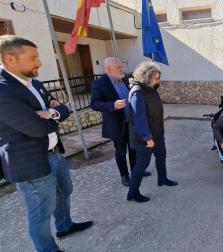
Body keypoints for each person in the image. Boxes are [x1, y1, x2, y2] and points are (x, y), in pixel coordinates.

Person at [0, 35, 93, 252]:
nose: (39, 63)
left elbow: (64, 108)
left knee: (64, 192)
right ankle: (48, 249)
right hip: (31, 162)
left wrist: (50, 112)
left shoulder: (35, 83)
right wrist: (53, 115)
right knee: (41, 210)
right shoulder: (3, 90)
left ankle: (64, 226)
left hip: (55, 153)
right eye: (33, 58)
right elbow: (37, 128)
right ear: (10, 59)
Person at [91, 57, 150, 187]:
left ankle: (136, 170)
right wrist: (113, 104)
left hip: (131, 122)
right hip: (117, 125)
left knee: (133, 148)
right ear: (108, 69)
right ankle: (124, 175)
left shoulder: (125, 79)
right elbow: (95, 104)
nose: (122, 69)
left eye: (122, 67)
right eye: (119, 68)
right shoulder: (99, 84)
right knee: (121, 151)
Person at [127, 61, 177, 203]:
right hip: (144, 137)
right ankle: (133, 192)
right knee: (142, 165)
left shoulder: (150, 88)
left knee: (161, 157)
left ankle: (162, 179)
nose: (158, 81)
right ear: (147, 77)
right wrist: (147, 138)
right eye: (156, 78)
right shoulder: (137, 92)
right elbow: (139, 118)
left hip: (157, 133)